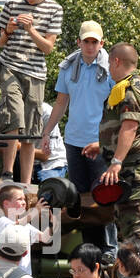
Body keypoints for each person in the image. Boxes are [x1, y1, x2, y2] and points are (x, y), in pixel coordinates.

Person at [0, 0, 62, 183]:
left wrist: (31, 29)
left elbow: (48, 48)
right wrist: (9, 30)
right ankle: (7, 173)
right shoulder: (12, 3)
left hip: (35, 72)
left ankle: (25, 182)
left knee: (32, 129)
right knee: (15, 116)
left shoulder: (54, 9)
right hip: (9, 65)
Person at [92, 43, 140, 247]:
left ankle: (139, 275)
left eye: (110, 63)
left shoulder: (129, 89)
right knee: (127, 223)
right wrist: (102, 145)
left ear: (117, 61)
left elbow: (130, 127)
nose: (109, 68)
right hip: (130, 164)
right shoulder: (132, 85)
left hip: (134, 166)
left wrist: (116, 161)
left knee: (135, 225)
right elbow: (121, 126)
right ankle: (134, 272)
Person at [38, 20, 109, 197]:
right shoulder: (67, 67)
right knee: (78, 194)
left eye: (94, 42)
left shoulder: (111, 68)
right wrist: (46, 133)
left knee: (103, 193)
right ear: (78, 42)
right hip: (74, 141)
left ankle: (108, 225)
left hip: (100, 141)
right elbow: (61, 102)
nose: (90, 46)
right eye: (86, 41)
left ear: (102, 43)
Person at [0, 183, 52, 273]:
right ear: (6, 204)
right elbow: (14, 228)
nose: (24, 203)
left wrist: (53, 220)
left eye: (24, 199)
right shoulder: (2, 221)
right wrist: (35, 211)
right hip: (6, 275)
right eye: (20, 199)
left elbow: (45, 238)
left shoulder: (26, 226)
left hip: (24, 275)